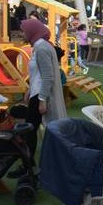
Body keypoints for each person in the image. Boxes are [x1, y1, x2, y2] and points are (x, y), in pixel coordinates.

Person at [21, 18, 67, 161]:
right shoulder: (40, 46)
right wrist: (30, 89)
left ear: (32, 31)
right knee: (31, 129)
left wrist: (42, 99)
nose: (22, 34)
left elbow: (48, 76)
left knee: (29, 130)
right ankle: (30, 163)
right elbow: (38, 74)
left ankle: (28, 165)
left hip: (40, 94)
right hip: (37, 92)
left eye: (24, 31)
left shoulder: (41, 48)